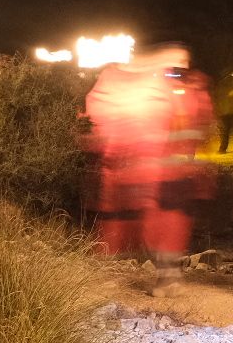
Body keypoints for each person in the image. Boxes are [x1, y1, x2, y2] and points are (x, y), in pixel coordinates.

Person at [83, 43, 213, 296]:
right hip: (147, 167)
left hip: (154, 169)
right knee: (142, 221)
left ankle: (162, 275)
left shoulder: (151, 87)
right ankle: (149, 276)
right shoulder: (144, 85)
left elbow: (100, 117)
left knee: (158, 220)